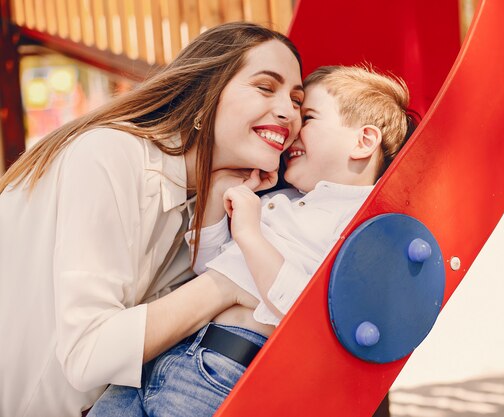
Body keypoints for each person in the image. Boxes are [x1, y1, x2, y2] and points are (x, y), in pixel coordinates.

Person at [0, 22, 304, 417]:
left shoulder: (215, 201)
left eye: (298, 101)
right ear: (205, 92)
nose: (288, 112)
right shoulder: (109, 156)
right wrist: (224, 284)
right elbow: (88, 353)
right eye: (266, 87)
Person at [88, 65, 417, 417]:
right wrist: (217, 205)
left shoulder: (358, 225)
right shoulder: (285, 198)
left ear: (363, 142)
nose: (291, 133)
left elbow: (306, 312)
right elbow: (213, 266)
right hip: (165, 354)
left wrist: (249, 234)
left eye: (308, 118)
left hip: (223, 369)